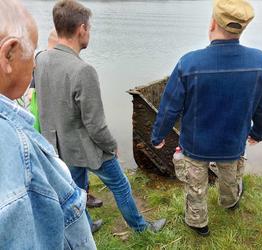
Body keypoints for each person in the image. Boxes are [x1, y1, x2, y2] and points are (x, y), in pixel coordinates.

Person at [34, 0, 166, 233]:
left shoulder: (41, 59)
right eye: (90, 28)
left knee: (76, 189)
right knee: (121, 185)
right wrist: (111, 145)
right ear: (81, 29)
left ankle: (85, 226)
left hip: (59, 146)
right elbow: (94, 124)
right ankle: (142, 229)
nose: (89, 33)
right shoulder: (82, 70)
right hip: (84, 146)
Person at [151, 0, 262, 236]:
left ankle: (199, 225)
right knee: (230, 178)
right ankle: (230, 202)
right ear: (242, 28)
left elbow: (169, 108)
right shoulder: (261, 62)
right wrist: (258, 132)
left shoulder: (189, 62)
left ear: (213, 23)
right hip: (233, 143)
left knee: (196, 187)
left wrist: (158, 135)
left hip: (196, 145)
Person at [0, 0, 96, 249]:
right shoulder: (17, 149)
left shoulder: (45, 62)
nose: (34, 64)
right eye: (31, 54)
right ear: (8, 54)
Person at [29, 28, 103, 208]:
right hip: (52, 130)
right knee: (64, 168)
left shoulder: (68, 66)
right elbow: (33, 98)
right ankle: (72, 200)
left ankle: (84, 194)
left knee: (76, 166)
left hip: (66, 130)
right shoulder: (41, 63)